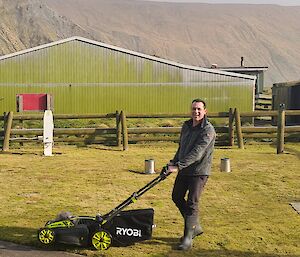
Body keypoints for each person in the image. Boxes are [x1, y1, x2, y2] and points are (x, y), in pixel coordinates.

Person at [168, 99, 216, 251]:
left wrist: (178, 165)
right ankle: (194, 226)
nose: (196, 112)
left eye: (199, 109)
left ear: (205, 111)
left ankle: (187, 238)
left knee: (192, 203)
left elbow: (197, 153)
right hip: (184, 169)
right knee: (176, 196)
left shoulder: (208, 130)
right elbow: (182, 147)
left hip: (199, 171)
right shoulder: (186, 126)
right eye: (194, 109)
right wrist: (173, 162)